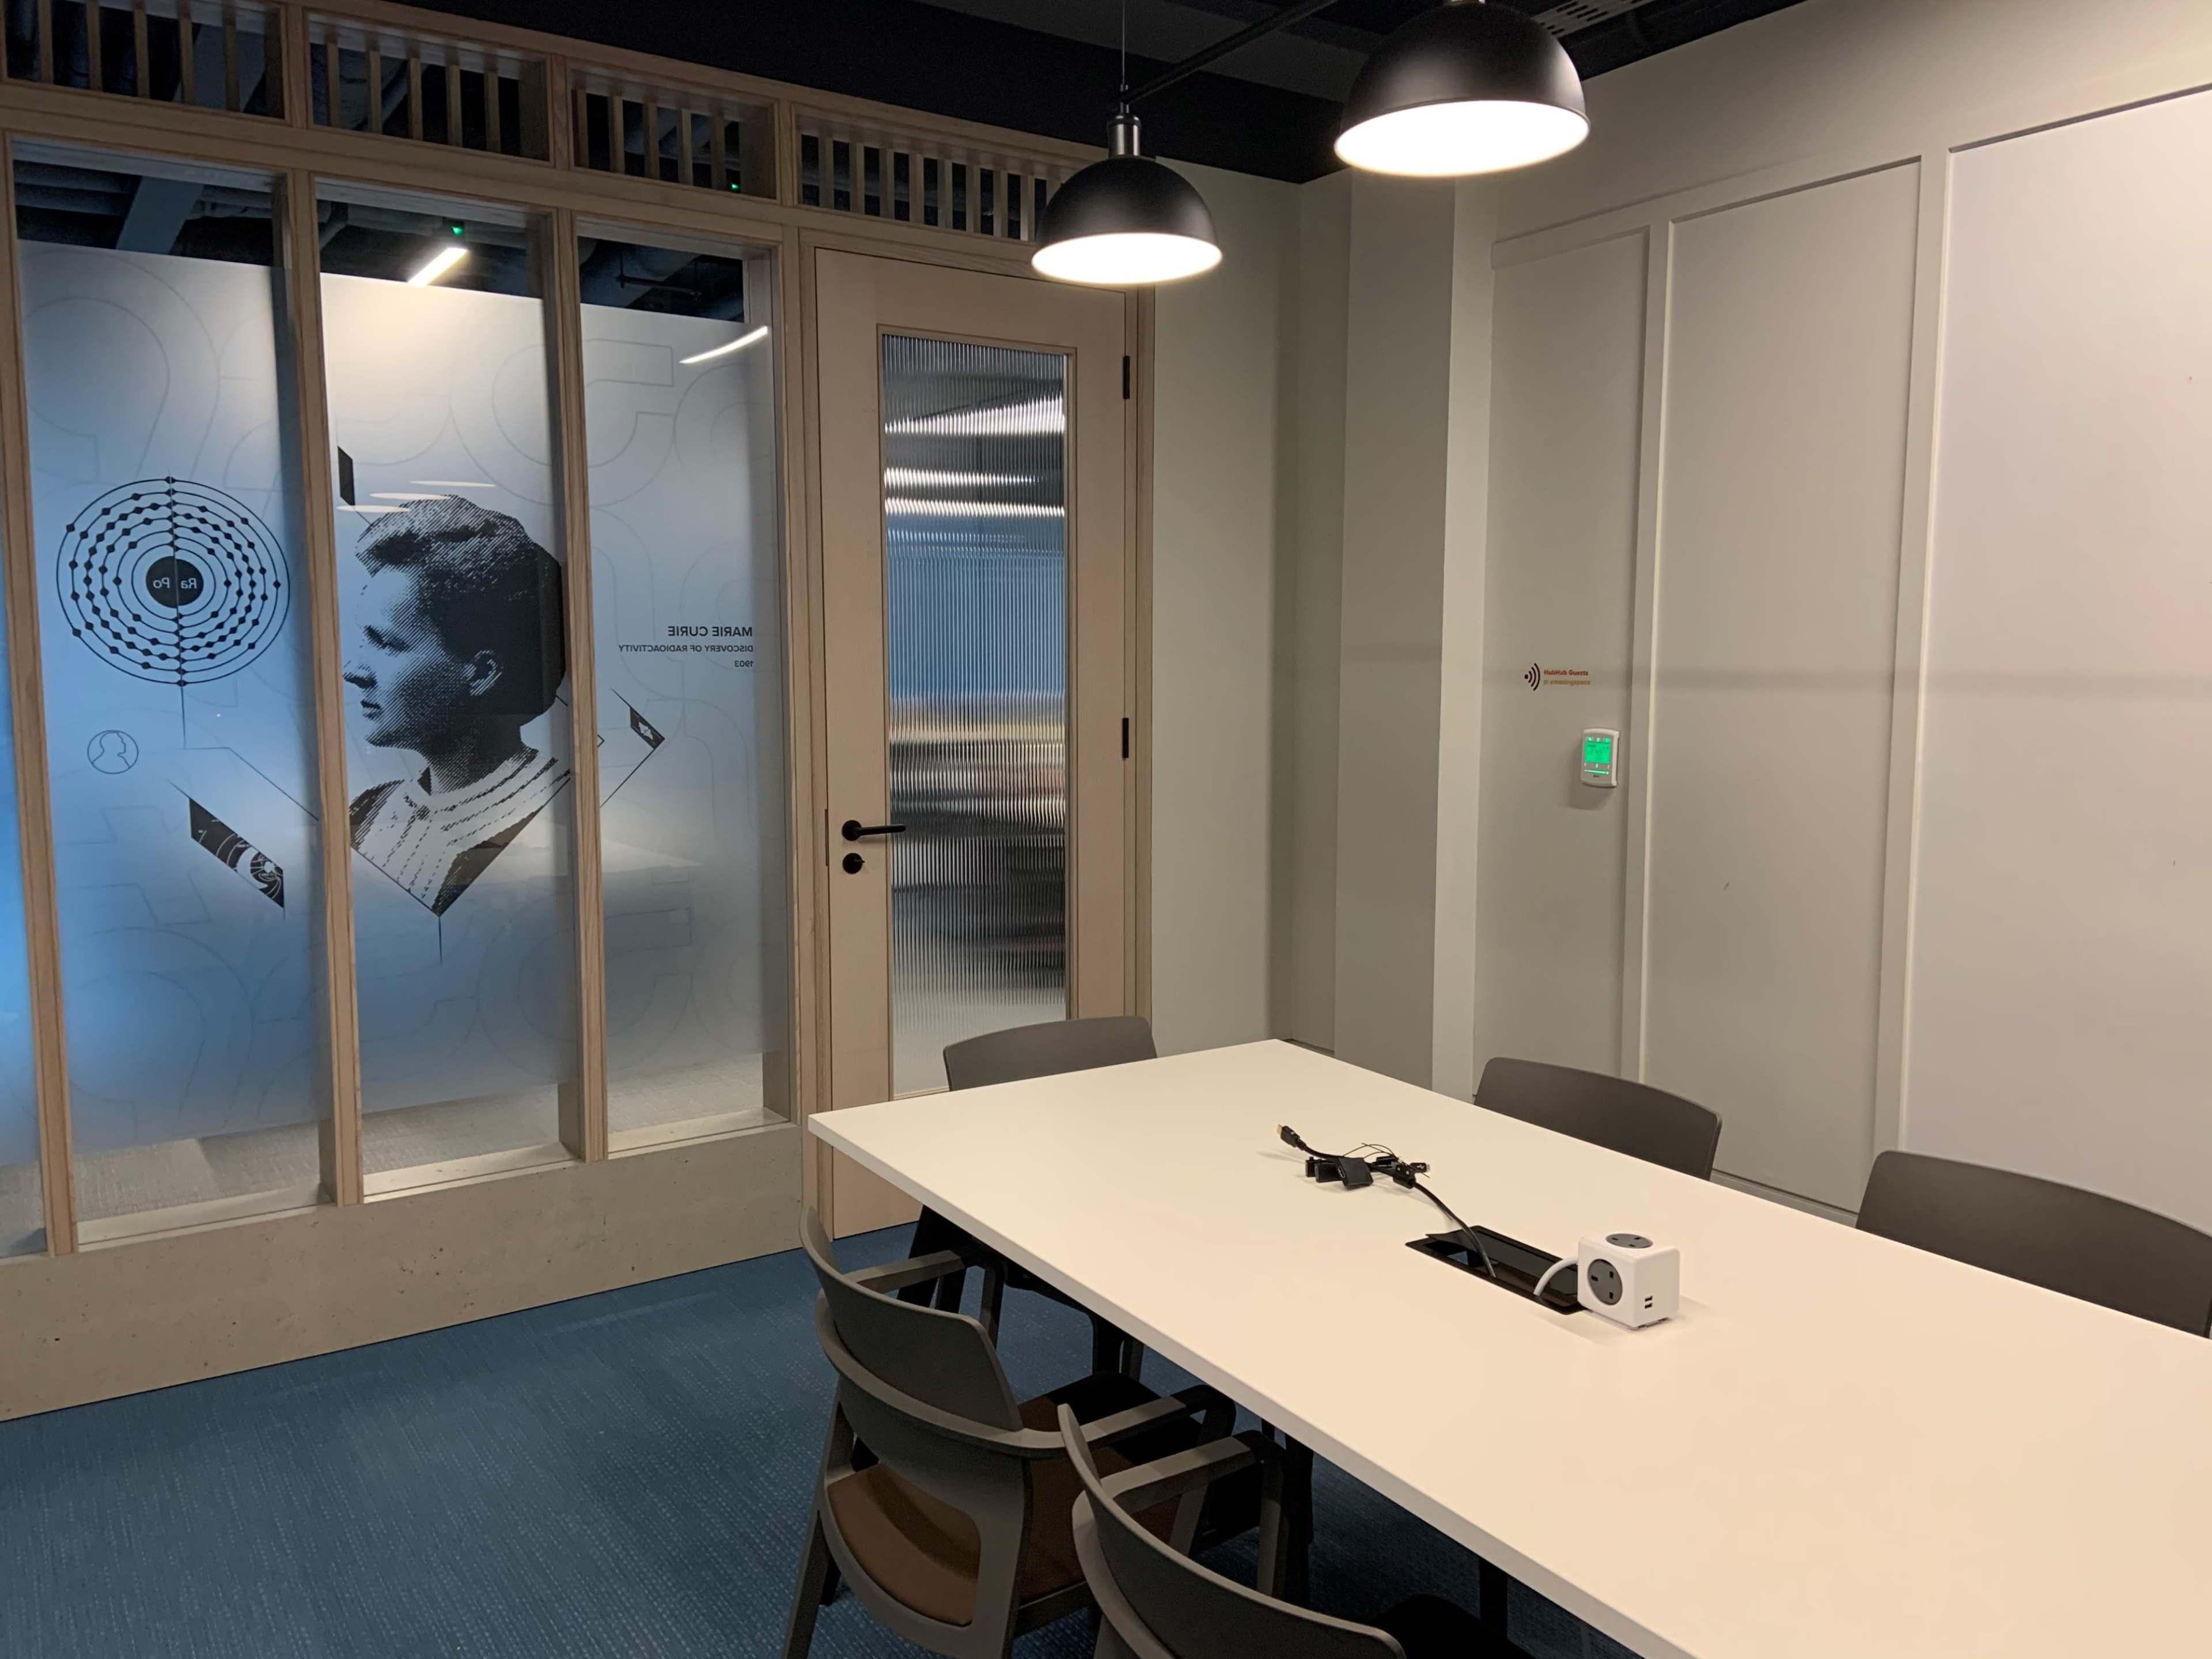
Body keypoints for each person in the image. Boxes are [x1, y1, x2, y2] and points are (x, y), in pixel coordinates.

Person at [342, 495, 570, 916]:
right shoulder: (368, 812)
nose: (352, 670)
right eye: (363, 640)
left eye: (387, 643)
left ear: (481, 672)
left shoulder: (557, 808)